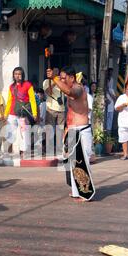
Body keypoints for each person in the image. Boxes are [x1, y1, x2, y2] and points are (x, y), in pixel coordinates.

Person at [46, 66, 95, 202]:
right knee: (72, 164)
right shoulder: (68, 93)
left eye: (63, 78)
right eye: (60, 78)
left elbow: (68, 90)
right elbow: (70, 114)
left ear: (72, 78)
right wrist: (66, 132)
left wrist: (54, 78)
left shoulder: (79, 89)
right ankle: (76, 191)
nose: (61, 80)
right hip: (72, 130)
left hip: (82, 130)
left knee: (81, 163)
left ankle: (85, 193)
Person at [5, 67, 38, 159]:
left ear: (22, 75)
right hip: (12, 113)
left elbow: (32, 100)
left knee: (24, 133)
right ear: (13, 75)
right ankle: (10, 150)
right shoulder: (11, 86)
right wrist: (5, 113)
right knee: (11, 133)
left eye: (19, 74)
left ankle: (23, 151)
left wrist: (34, 113)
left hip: (23, 113)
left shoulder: (28, 85)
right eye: (15, 74)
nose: (17, 76)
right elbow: (9, 100)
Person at [43, 67, 65, 156]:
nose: (56, 73)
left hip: (61, 109)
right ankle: (49, 150)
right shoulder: (46, 81)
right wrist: (54, 82)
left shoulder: (62, 81)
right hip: (51, 108)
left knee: (60, 130)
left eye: (57, 71)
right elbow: (48, 92)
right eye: (54, 71)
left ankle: (59, 150)